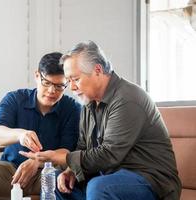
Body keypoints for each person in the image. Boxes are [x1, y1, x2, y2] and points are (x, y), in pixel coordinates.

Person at [20, 41, 181, 200]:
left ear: (97, 70)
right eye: (69, 81)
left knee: (100, 187)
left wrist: (60, 157)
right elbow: (83, 147)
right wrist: (70, 171)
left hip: (149, 180)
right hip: (106, 176)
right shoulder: (88, 104)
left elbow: (109, 154)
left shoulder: (128, 98)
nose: (72, 87)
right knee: (55, 180)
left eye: (75, 79)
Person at [0, 52, 81, 198]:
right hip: (12, 172)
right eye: (47, 83)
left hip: (50, 172)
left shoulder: (72, 109)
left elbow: (67, 151)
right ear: (37, 75)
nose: (52, 91)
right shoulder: (15, 99)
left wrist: (37, 161)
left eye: (59, 86)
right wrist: (20, 135)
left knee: (66, 181)